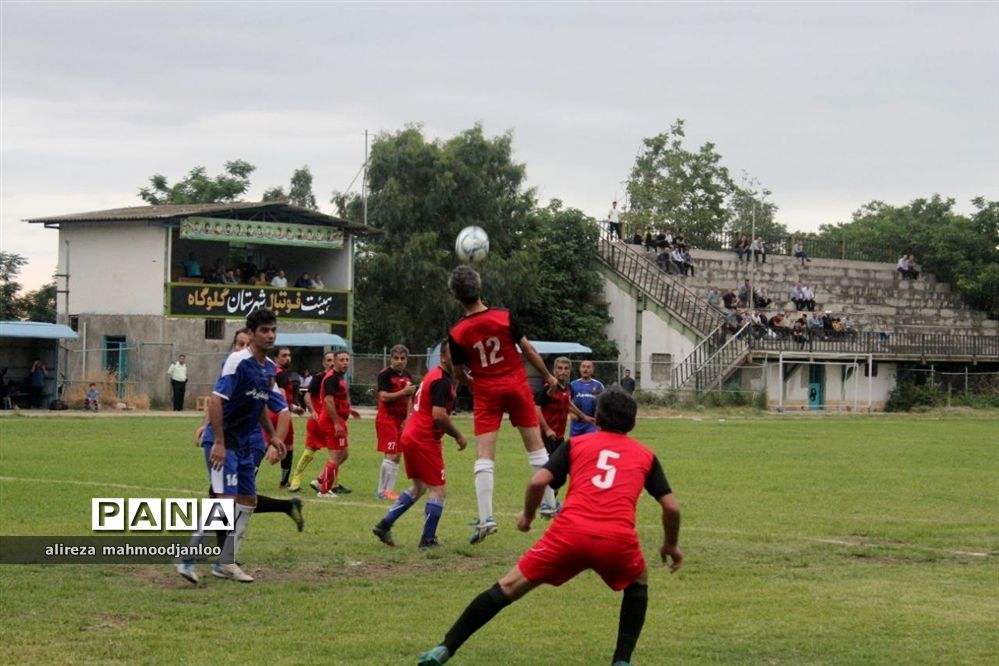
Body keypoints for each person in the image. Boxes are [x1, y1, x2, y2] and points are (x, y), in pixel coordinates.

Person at [416, 387, 683, 666]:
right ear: (633, 422)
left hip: (568, 535)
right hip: (616, 540)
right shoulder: (645, 455)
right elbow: (672, 507)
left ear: (596, 417)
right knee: (638, 582)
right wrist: (670, 545)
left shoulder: (576, 445)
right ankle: (622, 661)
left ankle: (444, 649)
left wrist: (528, 517)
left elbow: (538, 482)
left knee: (508, 586)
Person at [447, 265, 559, 544]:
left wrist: (475, 385)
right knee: (535, 447)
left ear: (456, 296)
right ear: (479, 287)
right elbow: (528, 349)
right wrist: (547, 375)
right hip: (517, 385)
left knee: (484, 455)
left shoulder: (457, 332)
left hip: (487, 391)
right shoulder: (504, 316)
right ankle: (549, 503)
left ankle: (486, 519)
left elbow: (458, 371)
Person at [181, 309, 289, 584]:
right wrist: (217, 441)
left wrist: (273, 437)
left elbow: (260, 404)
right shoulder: (237, 361)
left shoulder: (268, 369)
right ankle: (186, 559)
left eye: (273, 329)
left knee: (248, 501)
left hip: (243, 444)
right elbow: (216, 401)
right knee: (225, 502)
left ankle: (225, 563)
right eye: (264, 330)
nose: (270, 334)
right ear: (251, 334)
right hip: (224, 442)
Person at [372, 340, 468, 549]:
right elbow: (439, 416)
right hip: (424, 438)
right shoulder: (441, 380)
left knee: (419, 486)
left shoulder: (436, 376)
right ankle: (428, 540)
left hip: (412, 434)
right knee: (438, 491)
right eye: (454, 355)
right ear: (443, 357)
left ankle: (383, 525)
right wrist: (459, 435)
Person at [313, 350, 361, 497]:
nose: (345, 362)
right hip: (330, 421)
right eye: (341, 360)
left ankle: (320, 480)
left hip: (337, 419)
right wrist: (336, 423)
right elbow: (328, 401)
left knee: (344, 453)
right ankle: (324, 490)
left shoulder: (339, 378)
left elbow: (337, 400)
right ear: (334, 361)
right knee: (336, 455)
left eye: (347, 359)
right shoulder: (332, 378)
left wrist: (349, 410)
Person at [288, 351, 336, 492]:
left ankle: (330, 483)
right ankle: (296, 480)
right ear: (323, 363)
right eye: (328, 360)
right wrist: (313, 411)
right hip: (318, 420)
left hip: (331, 421)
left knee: (337, 453)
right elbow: (307, 396)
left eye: (334, 359)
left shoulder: (337, 378)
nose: (331, 362)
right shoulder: (319, 377)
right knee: (311, 451)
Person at [375, 344, 417, 501]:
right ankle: (382, 491)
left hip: (401, 420)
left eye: (402, 358)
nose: (399, 361)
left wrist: (408, 417)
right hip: (387, 418)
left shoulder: (408, 376)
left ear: (407, 359)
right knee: (393, 454)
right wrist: (403, 392)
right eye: (396, 358)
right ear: (391, 358)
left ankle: (387, 490)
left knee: (397, 455)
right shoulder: (385, 375)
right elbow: (383, 397)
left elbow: (409, 400)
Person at [273, 346, 305, 489]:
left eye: (289, 355)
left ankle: (249, 479)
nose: (287, 358)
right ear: (276, 358)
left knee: (260, 447)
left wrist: (294, 408)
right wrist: (287, 409)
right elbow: (281, 396)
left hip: (271, 411)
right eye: (284, 355)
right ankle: (284, 482)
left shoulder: (272, 372)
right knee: (288, 447)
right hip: (280, 414)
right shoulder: (282, 374)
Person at [568, 360, 602, 437]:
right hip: (576, 423)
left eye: (588, 367)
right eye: (583, 367)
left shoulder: (599, 385)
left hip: (591, 424)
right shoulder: (572, 385)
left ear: (593, 370)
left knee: (590, 446)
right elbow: (566, 402)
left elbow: (604, 404)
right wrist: (571, 413)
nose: (585, 369)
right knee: (574, 446)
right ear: (580, 369)